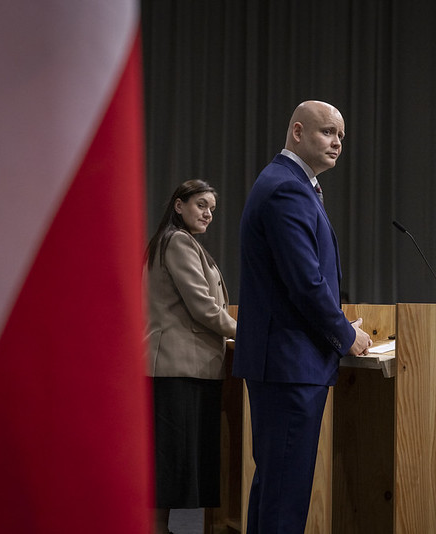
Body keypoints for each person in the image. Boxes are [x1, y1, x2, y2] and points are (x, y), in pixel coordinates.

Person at [233, 100, 372, 533]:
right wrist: (345, 336)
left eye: (341, 138)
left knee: (276, 488)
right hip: (290, 365)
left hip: (286, 362)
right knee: (285, 494)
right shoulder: (286, 187)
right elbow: (305, 283)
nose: (337, 144)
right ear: (297, 132)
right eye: (328, 132)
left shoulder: (292, 183)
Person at [144, 179, 237, 534]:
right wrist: (245, 334)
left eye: (212, 208)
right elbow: (204, 308)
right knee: (169, 466)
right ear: (179, 205)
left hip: (182, 368)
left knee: (171, 465)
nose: (208, 213)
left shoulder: (174, 242)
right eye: (201, 205)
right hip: (177, 368)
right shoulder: (178, 242)